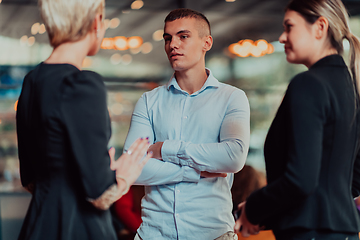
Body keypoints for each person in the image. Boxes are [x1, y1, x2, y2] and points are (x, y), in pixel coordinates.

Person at [15, 0, 152, 239]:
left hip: (38, 224)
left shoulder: (32, 81)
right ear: (96, 22)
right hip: (78, 227)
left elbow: (29, 179)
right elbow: (100, 192)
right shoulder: (83, 85)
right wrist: (124, 174)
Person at [234, 0, 360, 239]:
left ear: (320, 27)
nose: (282, 37)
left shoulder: (308, 84)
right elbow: (351, 179)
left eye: (289, 27)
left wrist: (253, 207)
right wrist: (263, 213)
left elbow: (300, 180)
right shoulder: (351, 85)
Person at [123, 8, 250, 240]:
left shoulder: (232, 97)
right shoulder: (149, 101)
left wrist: (164, 150)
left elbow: (233, 157)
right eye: (168, 38)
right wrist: (194, 171)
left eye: (183, 36)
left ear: (207, 43)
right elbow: (132, 167)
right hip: (154, 234)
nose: (173, 44)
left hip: (213, 234)